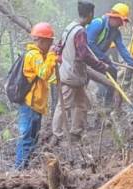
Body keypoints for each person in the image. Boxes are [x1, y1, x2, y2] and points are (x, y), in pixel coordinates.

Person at [52, 1, 109, 143]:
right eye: (92, 15)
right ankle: (57, 135)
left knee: (82, 104)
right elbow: (84, 55)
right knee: (64, 106)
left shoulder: (70, 27)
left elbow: (59, 46)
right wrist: (100, 66)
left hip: (75, 75)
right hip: (71, 75)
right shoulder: (80, 32)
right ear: (90, 15)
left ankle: (76, 133)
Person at [15, 22, 58, 170]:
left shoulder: (41, 55)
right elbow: (44, 73)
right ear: (41, 40)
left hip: (36, 105)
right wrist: (52, 55)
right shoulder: (34, 55)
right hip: (30, 105)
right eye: (49, 41)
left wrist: (53, 59)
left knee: (33, 139)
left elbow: (48, 75)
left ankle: (25, 168)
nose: (51, 44)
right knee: (26, 138)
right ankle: (19, 170)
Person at [86, 2, 133, 108]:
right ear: (114, 17)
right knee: (83, 81)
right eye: (121, 21)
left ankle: (107, 104)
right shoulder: (98, 23)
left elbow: (122, 49)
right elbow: (89, 42)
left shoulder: (115, 32)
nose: (121, 24)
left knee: (113, 71)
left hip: (99, 58)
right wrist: (103, 57)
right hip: (87, 57)